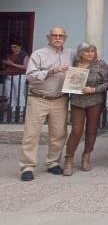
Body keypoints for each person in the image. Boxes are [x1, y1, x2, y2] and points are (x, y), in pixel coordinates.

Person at [19, 27, 75, 181]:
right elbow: (30, 76)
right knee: (31, 134)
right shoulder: (38, 54)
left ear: (65, 38)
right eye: (54, 35)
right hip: (39, 98)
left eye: (60, 36)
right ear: (48, 37)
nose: (57, 38)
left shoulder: (70, 54)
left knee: (58, 134)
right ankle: (27, 167)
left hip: (60, 99)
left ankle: (53, 163)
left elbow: (82, 64)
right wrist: (51, 71)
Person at [62, 42, 108, 176]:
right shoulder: (74, 63)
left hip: (95, 101)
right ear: (80, 53)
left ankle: (86, 156)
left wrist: (93, 89)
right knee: (76, 131)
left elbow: (107, 83)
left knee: (91, 130)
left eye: (92, 51)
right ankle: (69, 159)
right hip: (77, 101)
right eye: (87, 51)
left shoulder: (100, 64)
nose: (90, 54)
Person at [2, 40, 29, 111]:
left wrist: (12, 64)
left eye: (15, 47)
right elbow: (7, 64)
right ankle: (12, 110)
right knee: (9, 93)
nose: (13, 49)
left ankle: (21, 111)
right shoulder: (10, 54)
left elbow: (25, 67)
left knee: (18, 93)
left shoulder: (24, 55)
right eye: (12, 47)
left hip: (19, 75)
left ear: (20, 47)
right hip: (9, 75)